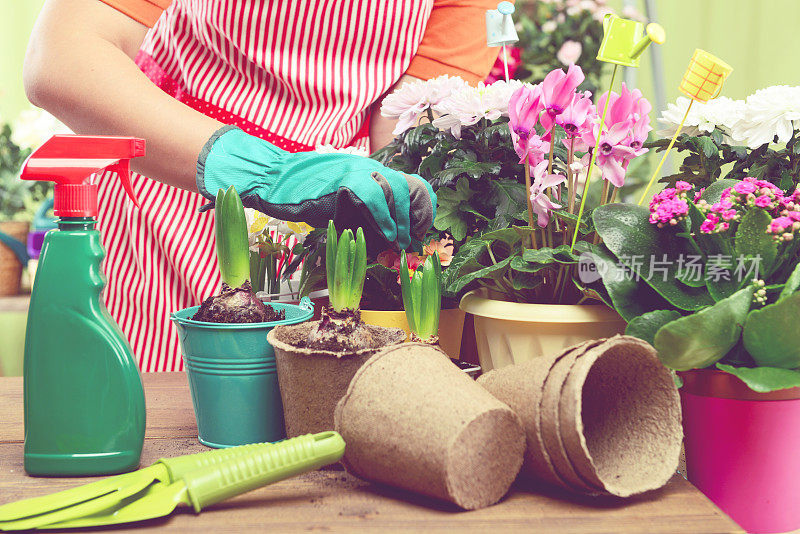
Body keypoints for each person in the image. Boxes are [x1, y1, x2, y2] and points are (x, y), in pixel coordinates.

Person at [23, 0, 505, 371]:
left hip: (329, 210)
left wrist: (391, 196)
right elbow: (61, 57)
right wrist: (270, 172)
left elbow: (399, 126)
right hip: (166, 185)